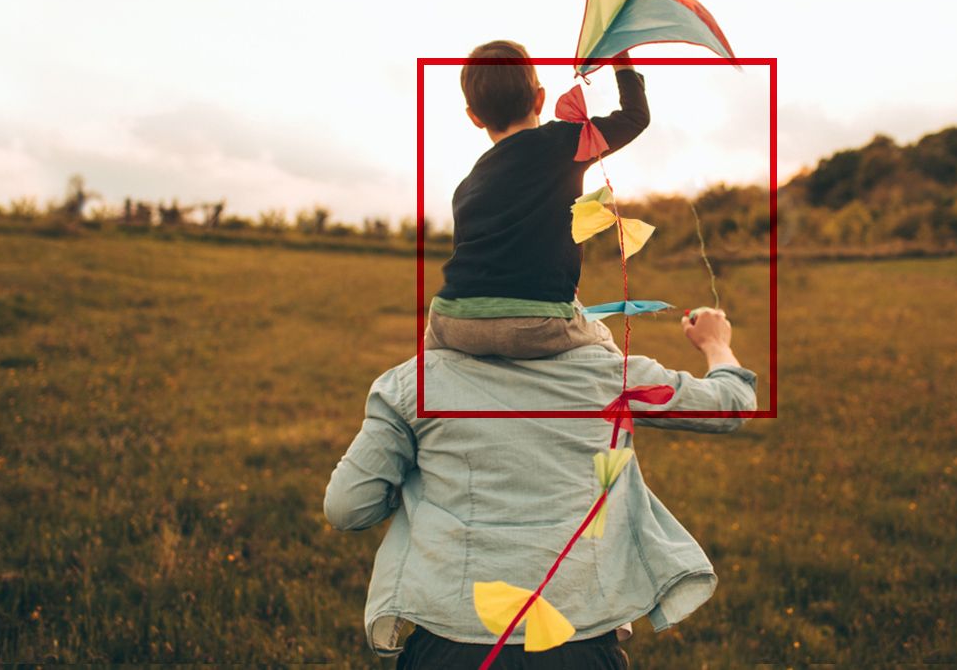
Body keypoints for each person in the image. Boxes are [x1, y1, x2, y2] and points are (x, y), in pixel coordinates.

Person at [324, 309, 756, 665]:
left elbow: (348, 507)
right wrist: (715, 343)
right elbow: (732, 405)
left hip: (449, 648)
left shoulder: (412, 383)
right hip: (577, 646)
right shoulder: (613, 376)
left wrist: (425, 484)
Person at [426, 39, 649, 360]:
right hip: (535, 322)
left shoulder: (466, 185)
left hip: (450, 320)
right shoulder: (565, 141)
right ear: (539, 99)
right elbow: (634, 118)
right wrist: (621, 61)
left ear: (474, 116)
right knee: (603, 345)